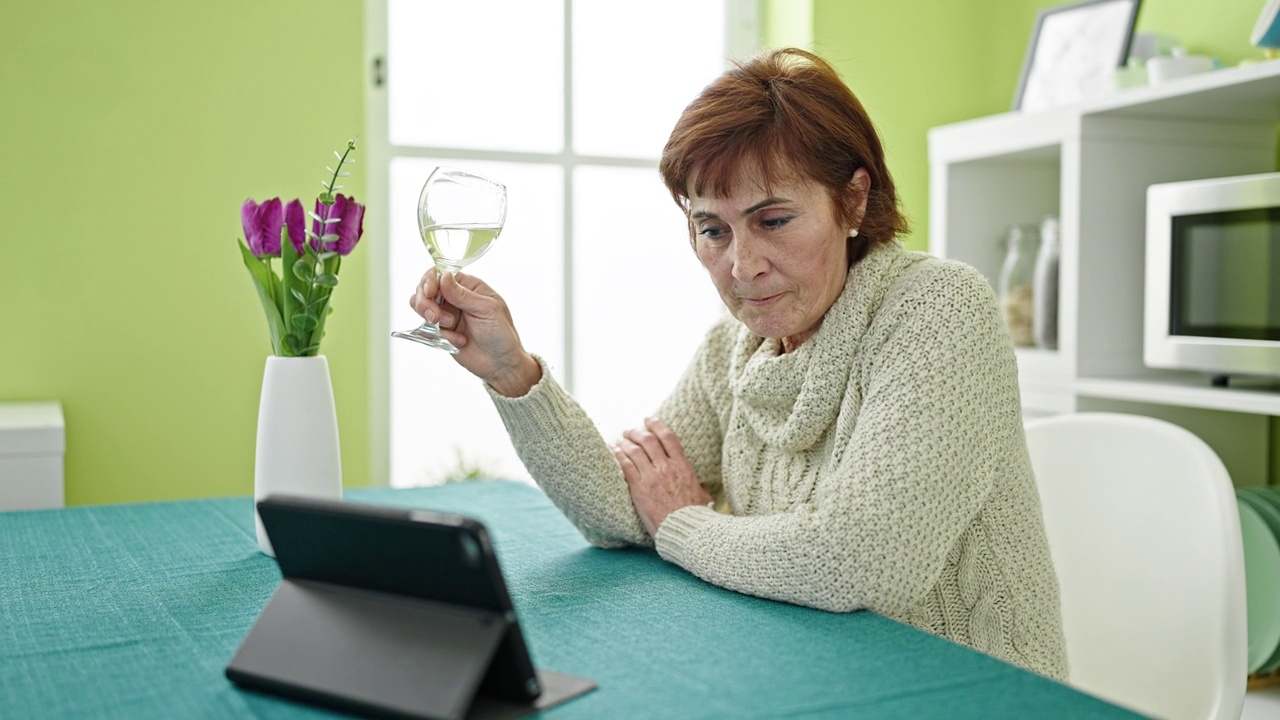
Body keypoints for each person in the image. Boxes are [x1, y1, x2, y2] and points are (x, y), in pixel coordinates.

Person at [408, 47, 1068, 681]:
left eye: (773, 219)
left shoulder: (937, 310)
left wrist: (684, 526)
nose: (741, 266)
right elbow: (621, 512)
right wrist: (512, 372)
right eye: (712, 229)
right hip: (812, 669)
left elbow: (860, 561)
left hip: (967, 688)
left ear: (854, 201)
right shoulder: (734, 347)